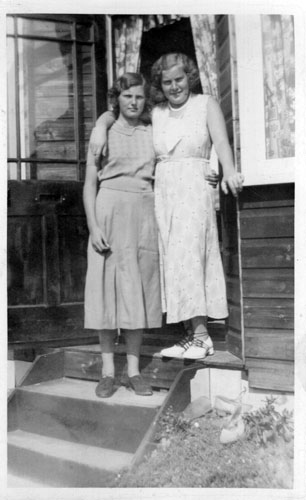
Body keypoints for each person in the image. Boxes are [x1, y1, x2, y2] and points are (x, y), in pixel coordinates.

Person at [90, 53, 244, 361]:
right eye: (167, 82)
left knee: (191, 255)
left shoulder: (206, 104)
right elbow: (119, 113)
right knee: (173, 261)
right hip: (162, 191)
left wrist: (226, 168)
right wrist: (100, 124)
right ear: (160, 86)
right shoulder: (156, 112)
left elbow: (222, 143)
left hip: (192, 187)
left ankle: (202, 336)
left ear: (190, 77)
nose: (175, 87)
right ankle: (192, 334)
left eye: (180, 79)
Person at [83, 72, 162, 398]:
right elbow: (90, 184)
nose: (133, 102)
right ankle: (107, 372)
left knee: (136, 291)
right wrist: (93, 225)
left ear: (145, 100)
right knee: (106, 291)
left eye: (139, 97)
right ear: (117, 98)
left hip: (143, 214)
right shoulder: (103, 132)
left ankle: (133, 372)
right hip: (108, 213)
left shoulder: (152, 132)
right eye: (127, 96)